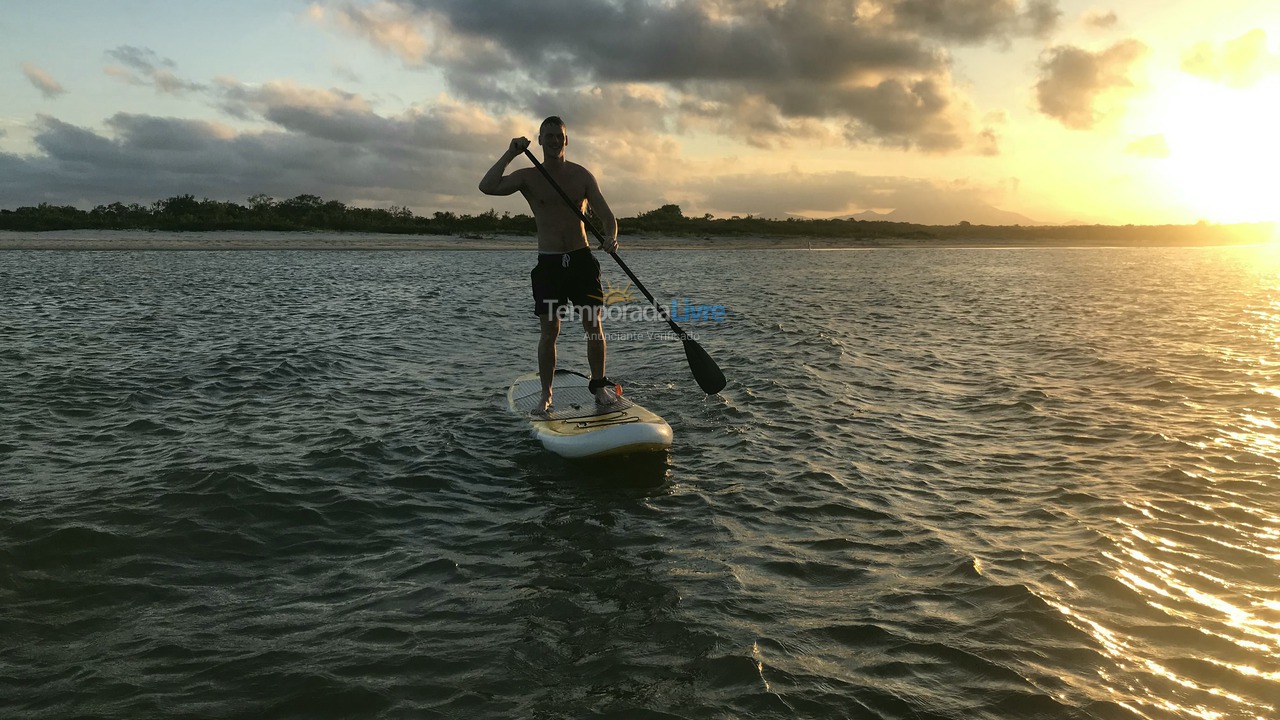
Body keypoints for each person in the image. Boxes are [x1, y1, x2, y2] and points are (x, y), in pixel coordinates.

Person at [479, 116, 620, 416]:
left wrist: (611, 237)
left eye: (560, 136)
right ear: (540, 140)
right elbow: (487, 186)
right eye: (549, 136)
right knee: (549, 332)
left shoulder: (582, 176)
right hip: (550, 263)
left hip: (581, 260)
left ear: (567, 140)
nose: (555, 140)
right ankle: (546, 394)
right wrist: (511, 153)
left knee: (593, 327)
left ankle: (600, 386)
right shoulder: (528, 177)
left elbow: (607, 215)